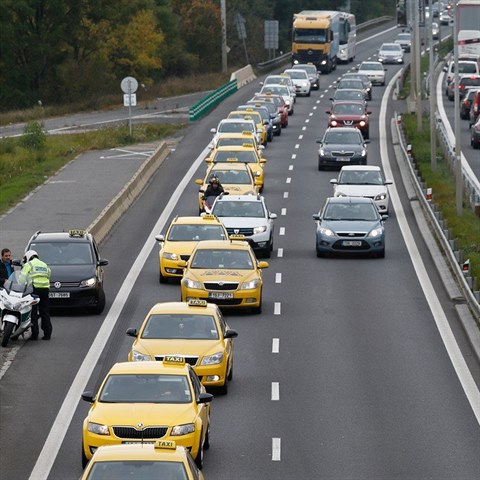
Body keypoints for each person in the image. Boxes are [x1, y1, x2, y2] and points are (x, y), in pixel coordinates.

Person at [21, 250, 52, 340]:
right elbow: (49, 274)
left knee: (33, 312)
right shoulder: (44, 264)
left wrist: (21, 284)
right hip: (45, 289)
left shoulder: (29, 264)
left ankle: (35, 335)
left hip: (35, 290)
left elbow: (22, 278)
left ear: (28, 257)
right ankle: (47, 334)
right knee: (45, 312)